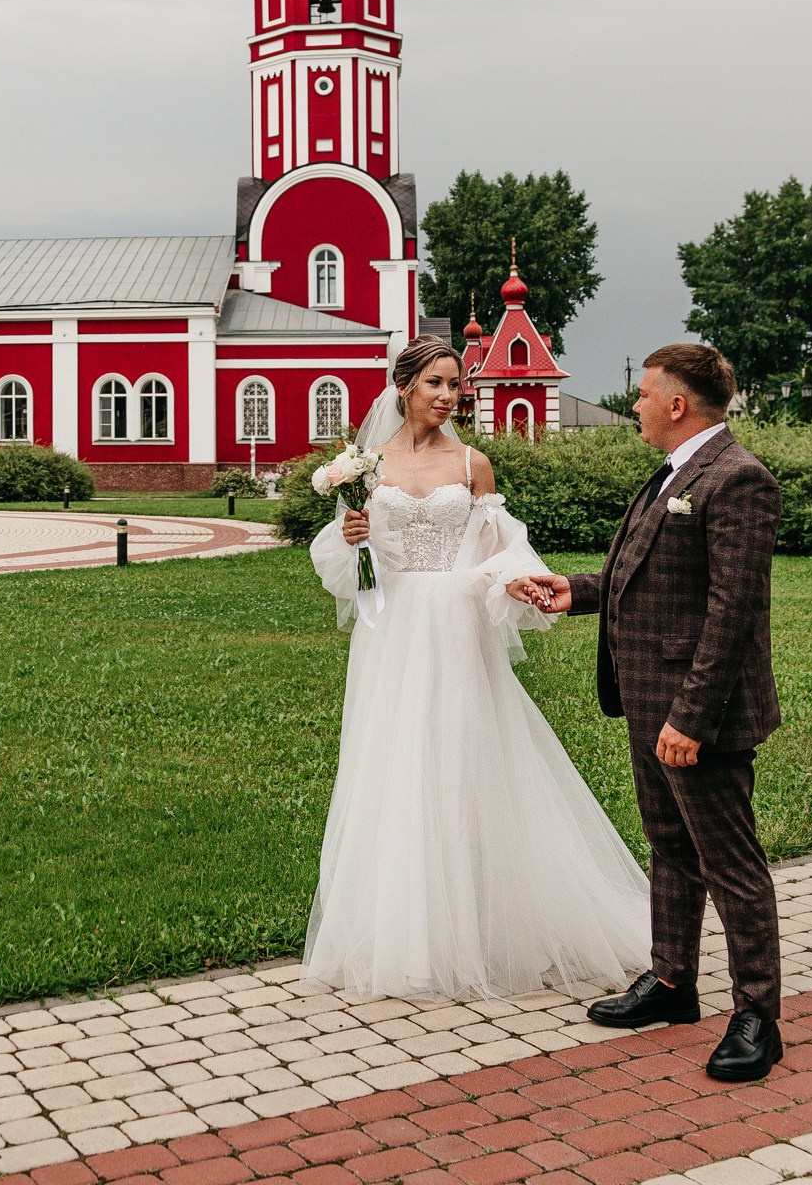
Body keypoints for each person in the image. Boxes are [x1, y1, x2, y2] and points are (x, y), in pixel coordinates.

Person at [304, 334, 649, 1000]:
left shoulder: (472, 465)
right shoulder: (364, 466)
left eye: (454, 383)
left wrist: (518, 581)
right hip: (396, 630)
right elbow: (356, 573)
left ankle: (490, 924)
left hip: (457, 624)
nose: (447, 395)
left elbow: (501, 546)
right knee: (399, 762)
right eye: (434, 382)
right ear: (402, 387)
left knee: (470, 757)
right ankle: (409, 932)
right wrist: (353, 542)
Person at [518, 343, 785, 1082]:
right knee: (669, 845)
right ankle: (672, 983)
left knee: (730, 862)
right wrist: (575, 590)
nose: (633, 404)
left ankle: (757, 1015)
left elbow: (733, 613)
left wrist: (692, 718)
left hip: (699, 712)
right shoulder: (670, 475)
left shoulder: (738, 479)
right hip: (647, 699)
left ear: (676, 404)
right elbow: (639, 573)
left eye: (642, 394)